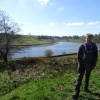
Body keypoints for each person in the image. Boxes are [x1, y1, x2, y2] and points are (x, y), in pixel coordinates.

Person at [72, 33, 98, 100]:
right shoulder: (82, 45)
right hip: (82, 64)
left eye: (89, 38)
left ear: (91, 38)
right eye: (87, 38)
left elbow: (96, 56)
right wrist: (79, 62)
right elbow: (78, 54)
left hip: (90, 64)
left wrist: (94, 64)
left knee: (87, 76)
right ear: (85, 38)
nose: (88, 39)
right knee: (80, 77)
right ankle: (76, 91)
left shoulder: (94, 46)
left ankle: (85, 88)